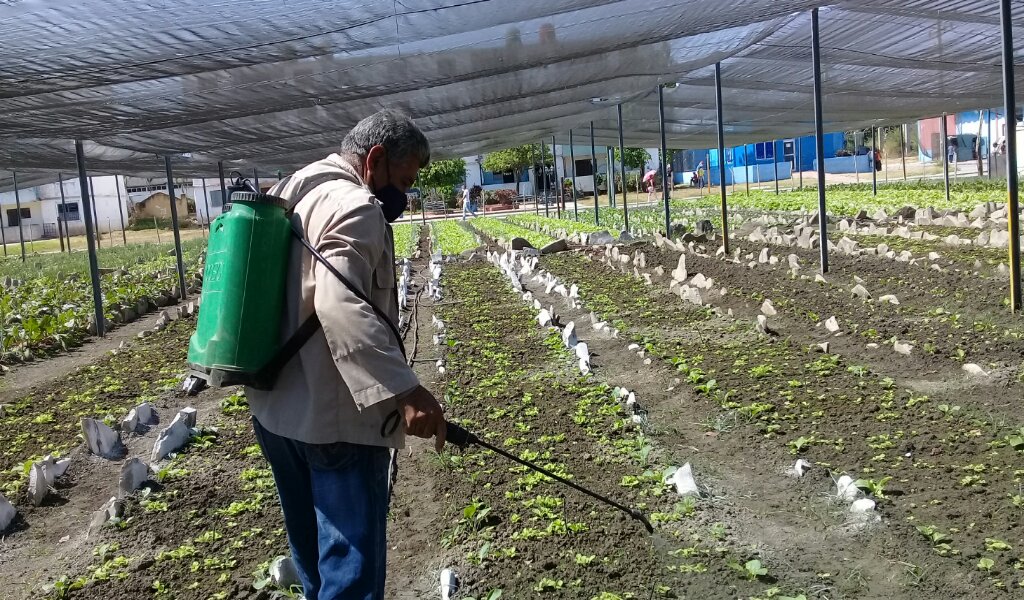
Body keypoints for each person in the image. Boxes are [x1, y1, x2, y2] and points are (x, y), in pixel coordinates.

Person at [247, 110, 446, 600]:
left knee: (313, 560)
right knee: (350, 576)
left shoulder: (293, 189)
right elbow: (338, 302)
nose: (404, 193)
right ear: (375, 159)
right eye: (403, 179)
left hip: (276, 412)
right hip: (336, 421)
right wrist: (406, 389)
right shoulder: (356, 205)